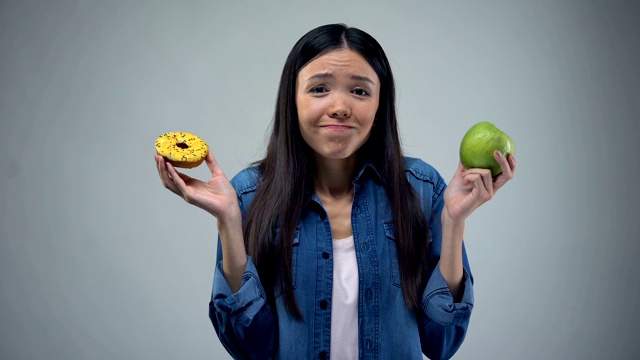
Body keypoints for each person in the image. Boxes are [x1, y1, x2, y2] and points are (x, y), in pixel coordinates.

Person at [154, 23, 515, 360]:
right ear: (292, 99)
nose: (340, 107)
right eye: (319, 88)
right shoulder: (248, 196)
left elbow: (441, 343)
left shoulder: (421, 189)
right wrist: (229, 222)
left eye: (359, 91)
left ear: (380, 104)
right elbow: (250, 349)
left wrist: (453, 222)